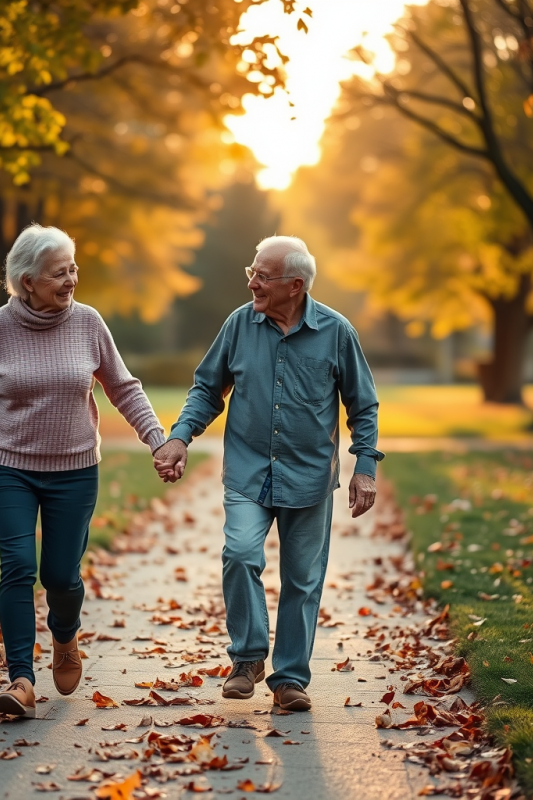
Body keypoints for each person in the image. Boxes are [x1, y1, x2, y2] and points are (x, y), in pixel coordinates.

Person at [153, 235, 383, 712]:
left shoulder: (336, 332)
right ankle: (248, 658)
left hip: (310, 477)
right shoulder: (239, 324)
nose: (253, 282)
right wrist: (179, 437)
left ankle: (290, 680)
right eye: (251, 272)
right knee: (239, 553)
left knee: (302, 580)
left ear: (295, 285)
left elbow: (364, 405)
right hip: (248, 470)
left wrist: (365, 468)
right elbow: (206, 389)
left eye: (262, 275)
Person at [0, 223, 165, 718]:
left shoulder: (88, 323)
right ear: (26, 280)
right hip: (9, 467)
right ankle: (20, 680)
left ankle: (65, 639)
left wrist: (158, 440)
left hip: (74, 470)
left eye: (73, 269)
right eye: (58, 273)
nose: (70, 280)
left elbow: (123, 388)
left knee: (61, 576)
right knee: (18, 567)